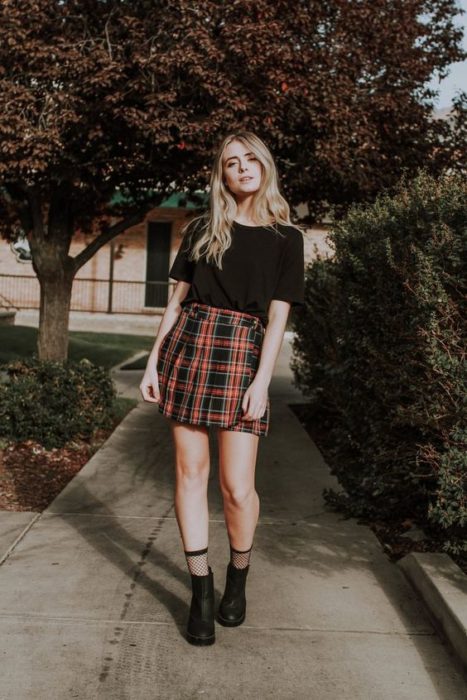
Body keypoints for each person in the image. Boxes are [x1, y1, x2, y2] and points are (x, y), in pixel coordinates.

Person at [140, 130, 305, 646]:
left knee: (237, 488)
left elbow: (278, 321)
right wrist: (152, 365)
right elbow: (176, 304)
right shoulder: (201, 230)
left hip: (243, 355)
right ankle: (201, 590)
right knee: (191, 473)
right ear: (222, 175)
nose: (242, 167)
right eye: (231, 162)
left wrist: (262, 382)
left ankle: (238, 574)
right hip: (189, 346)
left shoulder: (287, 238)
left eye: (250, 158)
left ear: (265, 165)